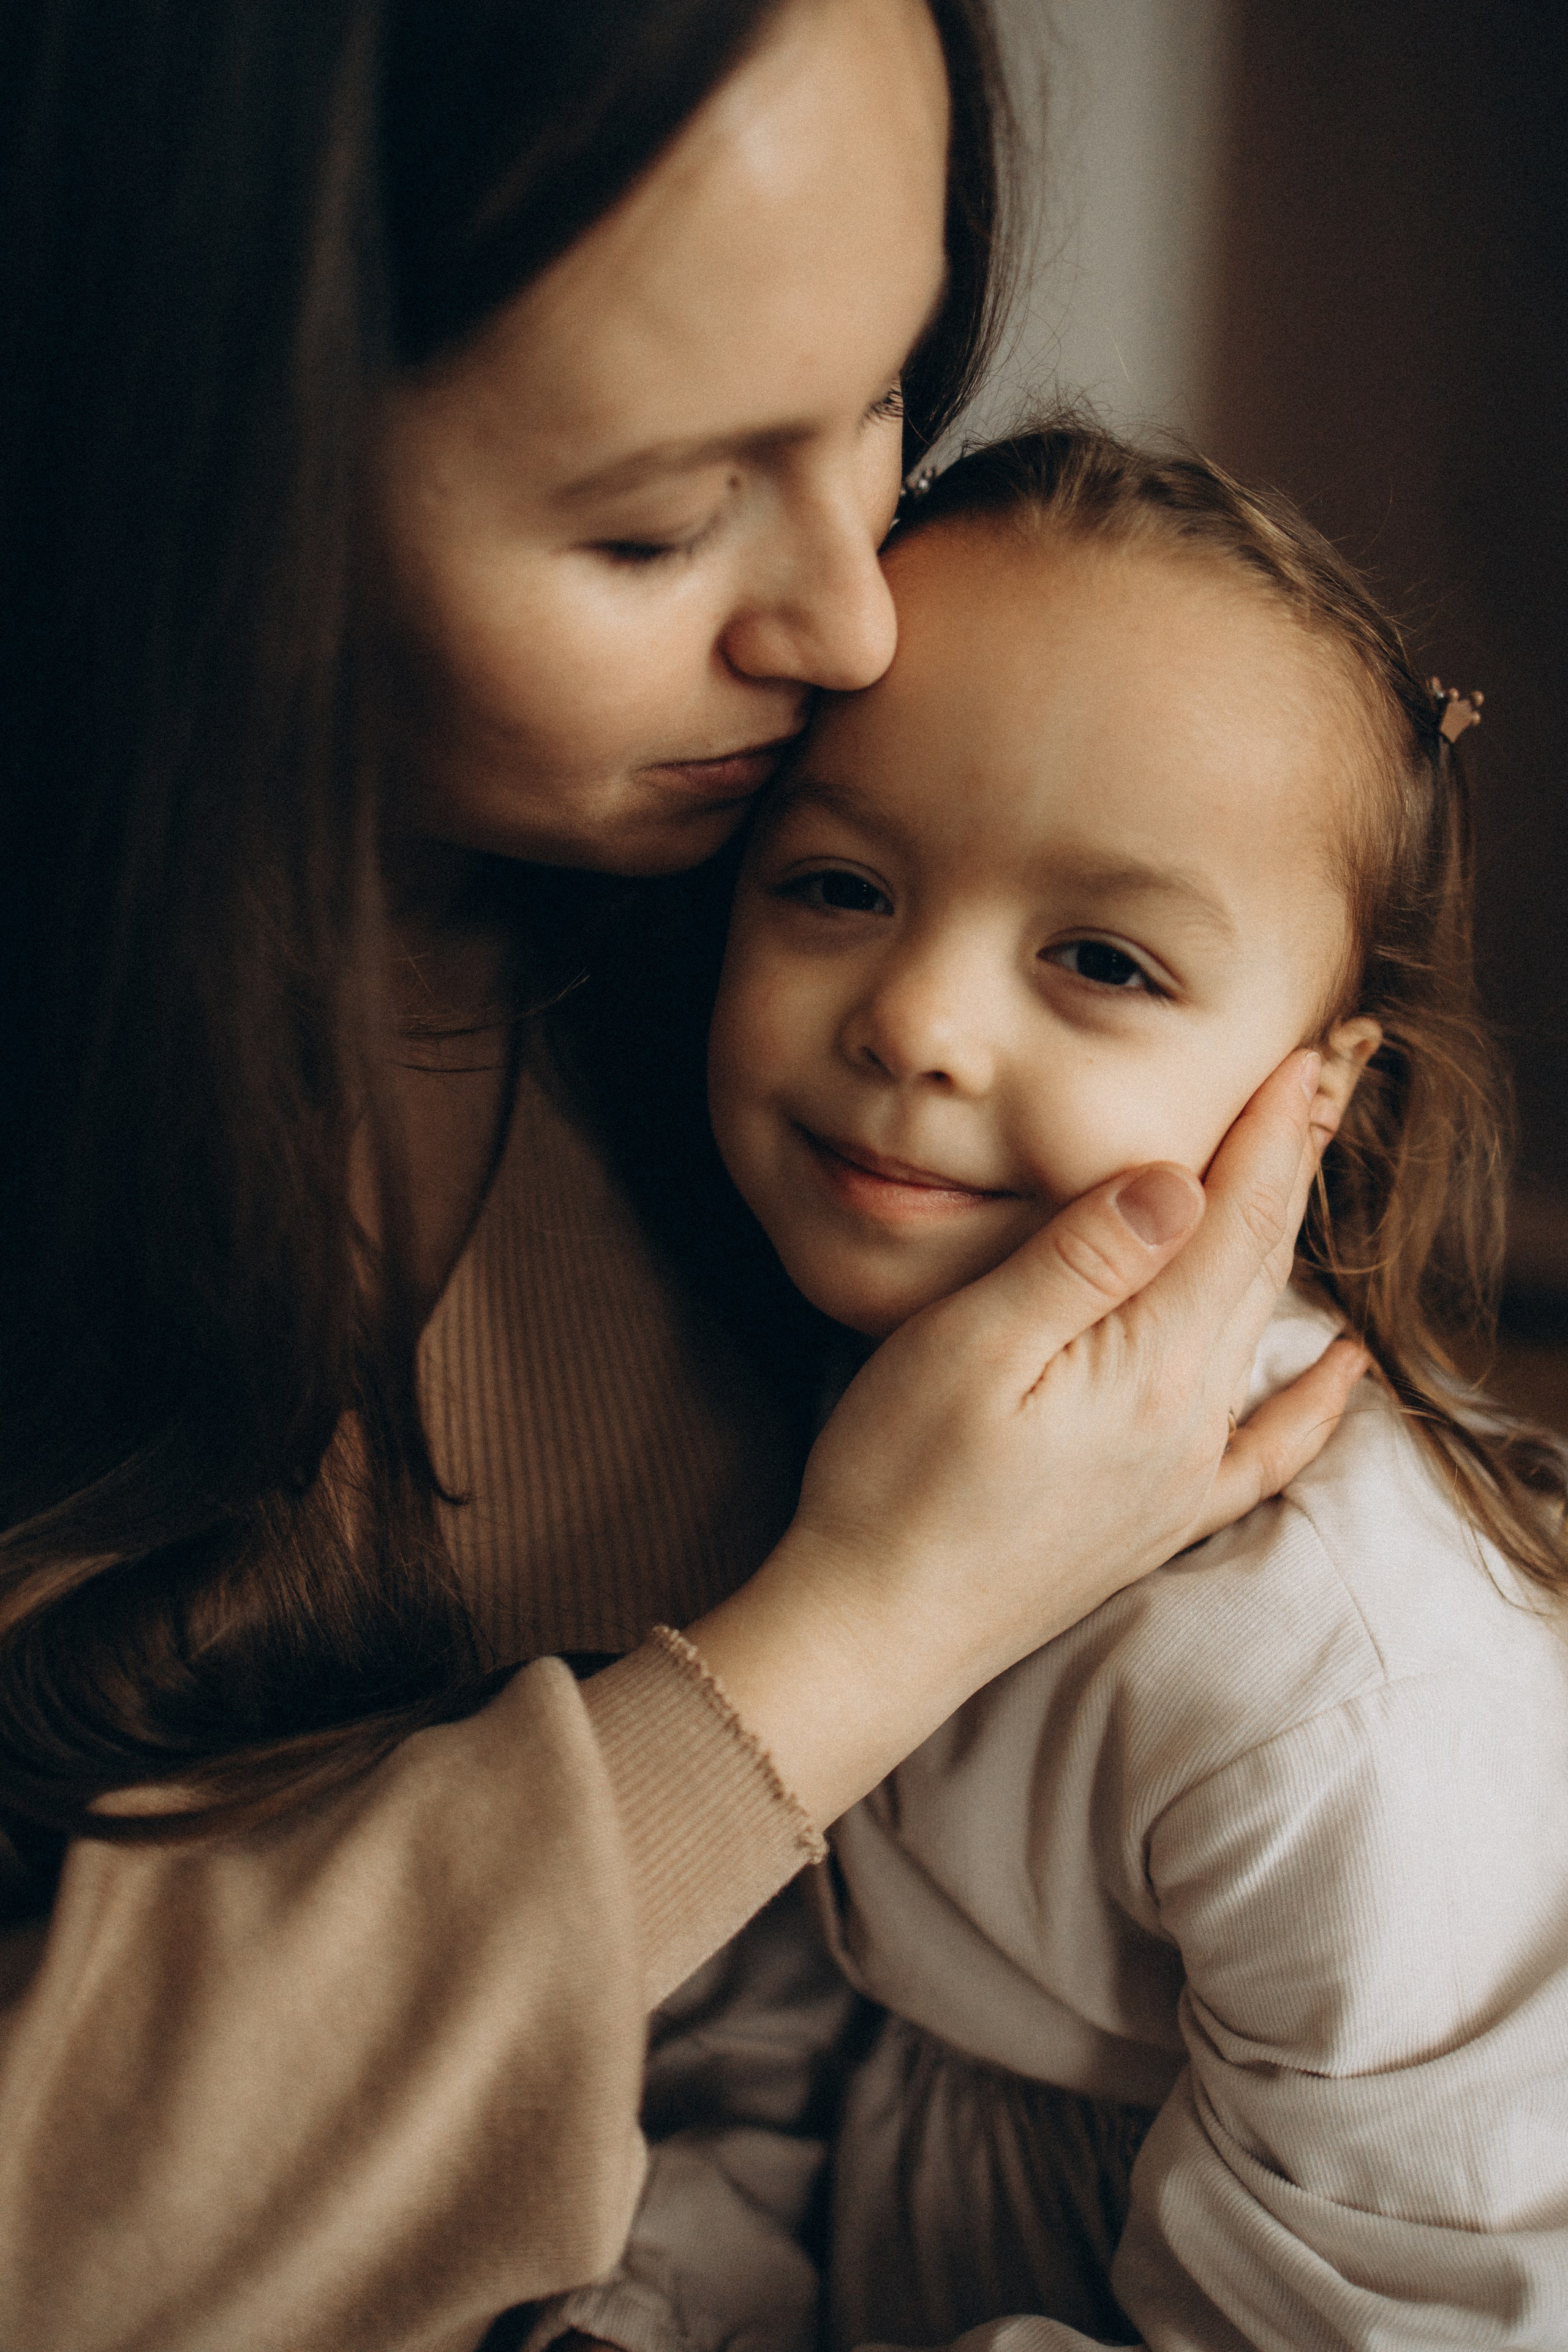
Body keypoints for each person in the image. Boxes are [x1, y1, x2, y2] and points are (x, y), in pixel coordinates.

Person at [0, 7, 1362, 2346]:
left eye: (880, 415)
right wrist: (860, 1634)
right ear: (167, 467)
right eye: (652, 521)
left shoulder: (793, 925)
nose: (848, 623)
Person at [554, 422, 1568, 2352]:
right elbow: (768, 1992)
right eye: (840, 887)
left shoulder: (1331, 1671)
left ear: (1321, 1096)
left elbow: (1432, 2293)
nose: (918, 1024)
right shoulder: (769, 1391)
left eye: (1099, 957)